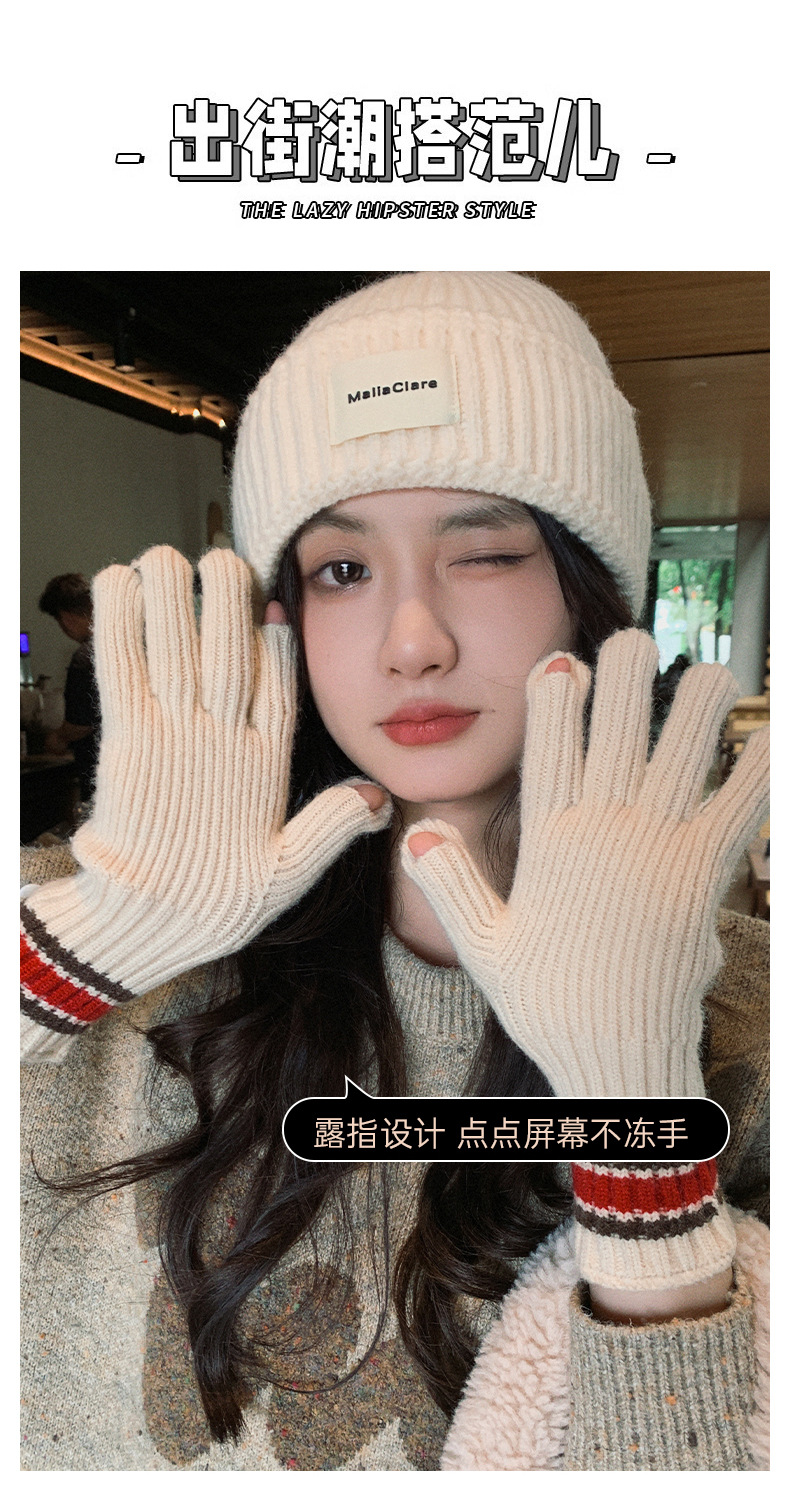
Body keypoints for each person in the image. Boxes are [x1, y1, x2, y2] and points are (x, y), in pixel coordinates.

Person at [20, 272, 769, 1471]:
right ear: (283, 614)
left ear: (589, 597)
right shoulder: (81, 926)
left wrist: (641, 1130)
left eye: (486, 553)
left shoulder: (746, 1017)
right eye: (342, 571)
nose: (414, 641)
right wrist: (80, 951)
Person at [37, 572, 101, 800]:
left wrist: (57, 739)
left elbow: (80, 724)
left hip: (102, 775)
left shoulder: (85, 657)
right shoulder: (126, 643)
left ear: (65, 618)